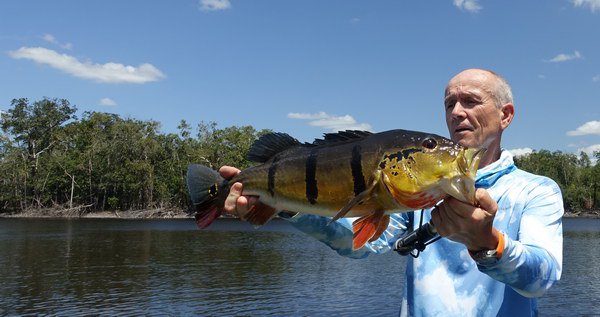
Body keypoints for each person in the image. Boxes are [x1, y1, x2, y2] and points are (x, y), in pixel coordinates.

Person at [218, 69, 563, 316]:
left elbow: (542, 279)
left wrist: (488, 242)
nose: (457, 112)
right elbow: (363, 243)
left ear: (506, 116)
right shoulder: (416, 193)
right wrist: (284, 206)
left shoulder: (536, 191)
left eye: (471, 101)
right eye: (449, 104)